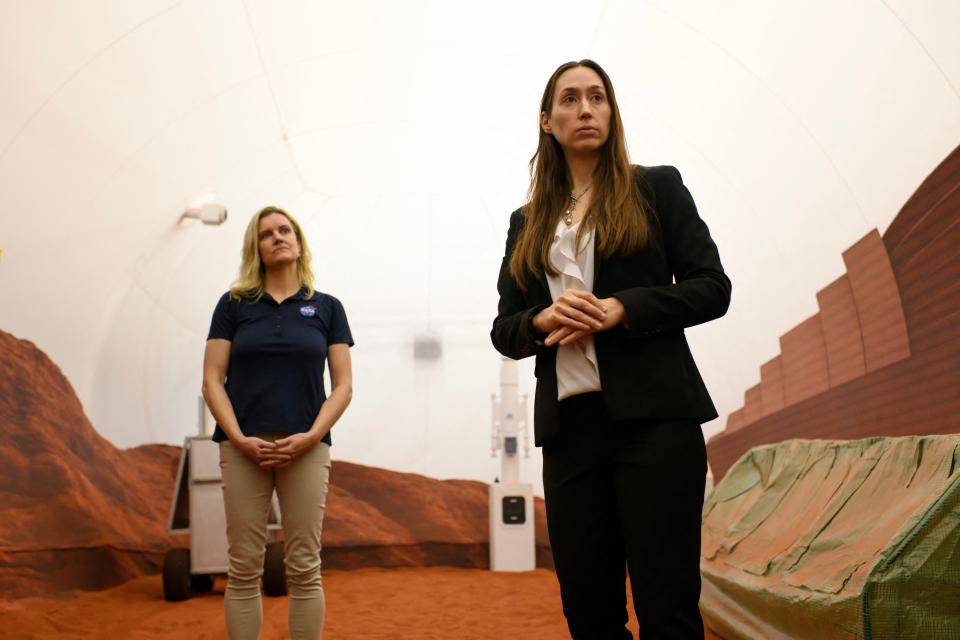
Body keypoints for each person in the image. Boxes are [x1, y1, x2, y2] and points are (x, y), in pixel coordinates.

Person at [491, 60, 731, 639]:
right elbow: (504, 328)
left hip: (656, 423)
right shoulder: (527, 223)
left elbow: (712, 287)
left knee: (666, 608)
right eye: (569, 100)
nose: (585, 109)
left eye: (597, 97)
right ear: (547, 122)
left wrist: (626, 308)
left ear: (611, 111)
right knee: (589, 614)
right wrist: (540, 318)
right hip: (571, 432)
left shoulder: (657, 187)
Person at [202, 205, 354, 640]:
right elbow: (212, 379)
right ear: (257, 248)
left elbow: (343, 385)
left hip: (307, 447)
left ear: (299, 241)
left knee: (305, 565)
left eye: (285, 230)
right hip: (241, 447)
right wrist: (237, 438)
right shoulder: (233, 306)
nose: (278, 237)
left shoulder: (327, 308)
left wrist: (311, 436)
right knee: (244, 566)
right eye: (266, 234)